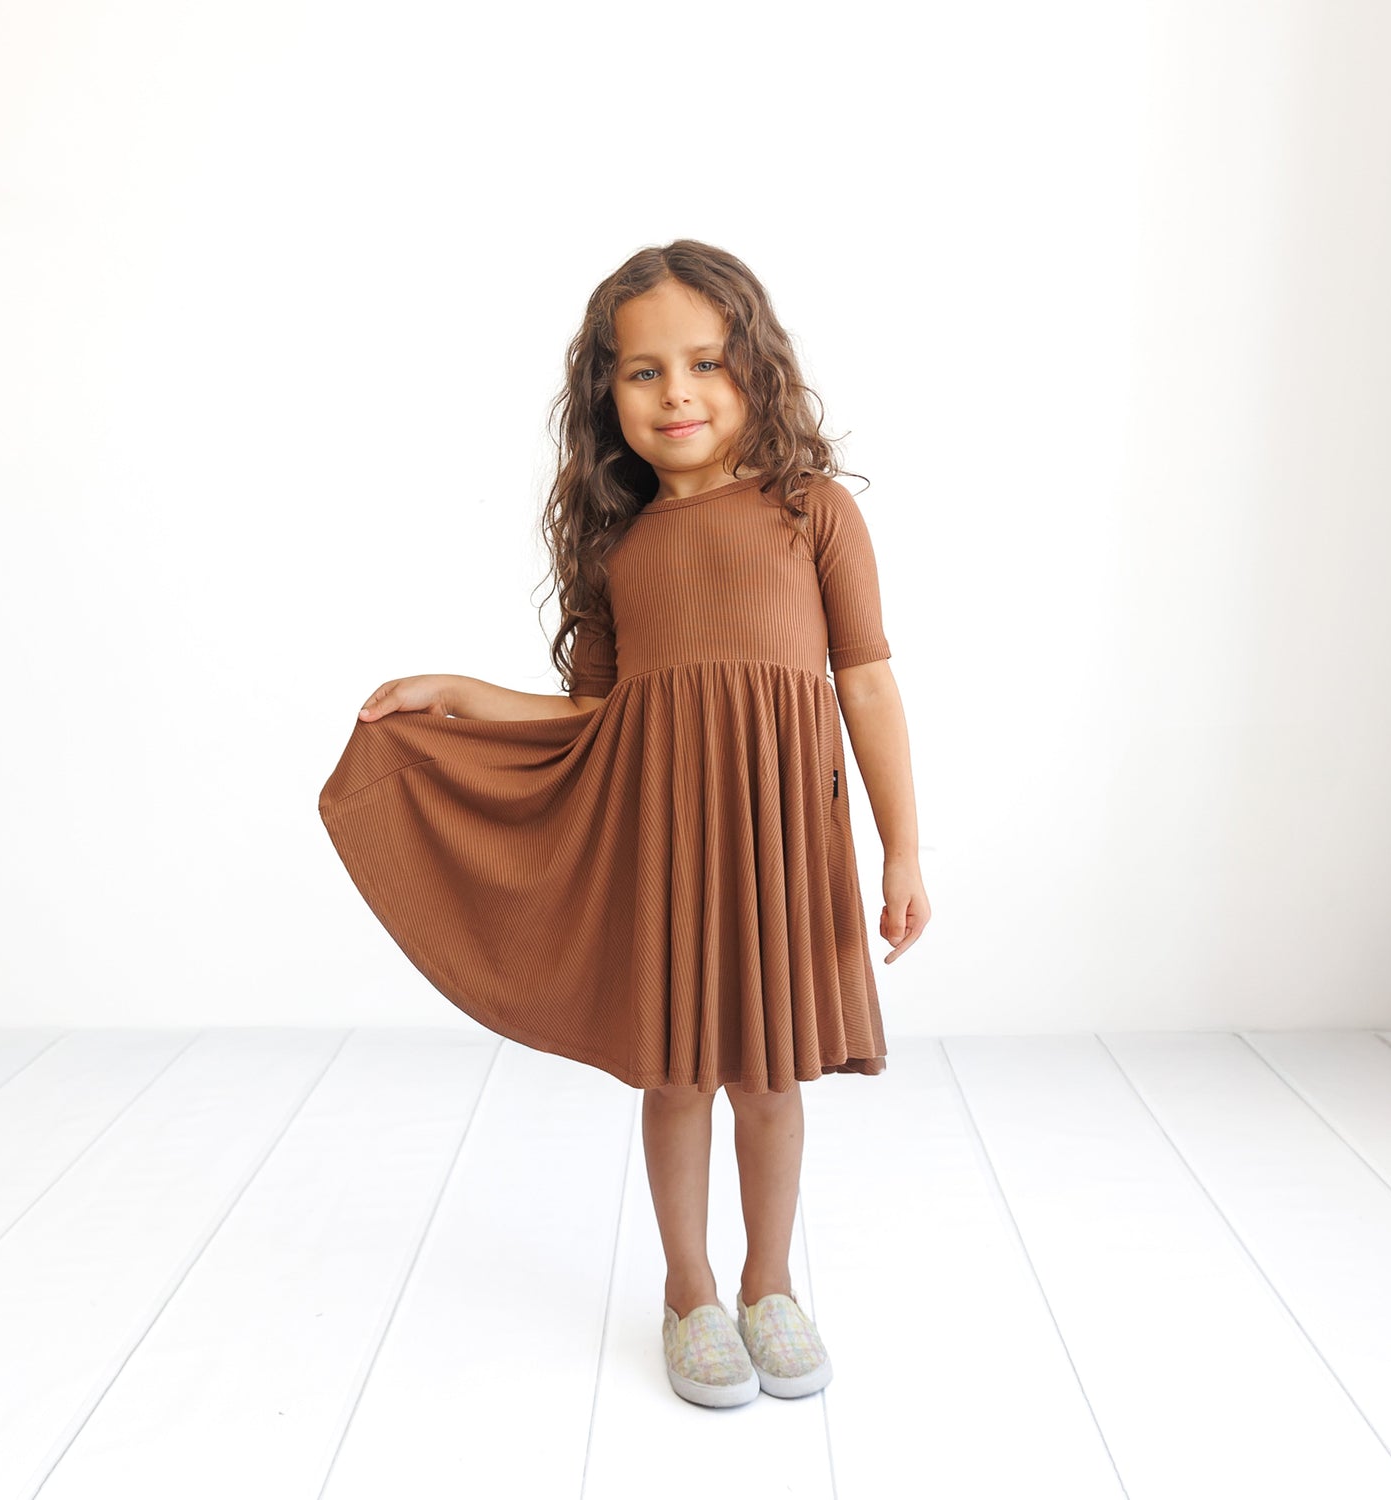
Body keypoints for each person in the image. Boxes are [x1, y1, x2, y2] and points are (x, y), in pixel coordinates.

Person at [319, 239, 931, 1409]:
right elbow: (596, 718)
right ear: (608, 395)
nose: (676, 393)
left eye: (705, 362)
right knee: (680, 1075)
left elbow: (865, 682)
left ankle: (769, 1284)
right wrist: (461, 695)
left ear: (757, 367)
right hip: (675, 847)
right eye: (644, 372)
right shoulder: (620, 546)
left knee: (769, 1080)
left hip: (783, 842)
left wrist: (903, 849)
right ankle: (688, 1290)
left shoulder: (812, 511)